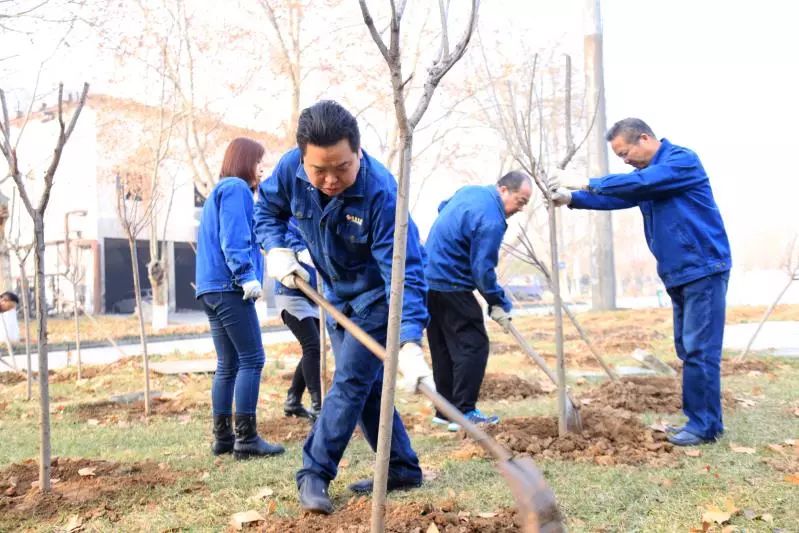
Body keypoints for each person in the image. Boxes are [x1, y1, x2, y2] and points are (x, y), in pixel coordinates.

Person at [254, 100, 433, 514]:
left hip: (377, 299)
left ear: (358, 152)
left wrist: (407, 340)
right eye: (320, 170)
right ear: (302, 158)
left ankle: (314, 472)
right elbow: (267, 211)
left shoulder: (382, 194)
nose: (331, 179)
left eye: (342, 167)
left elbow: (402, 274)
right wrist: (276, 247)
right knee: (366, 388)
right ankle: (402, 467)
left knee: (351, 381)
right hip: (334, 295)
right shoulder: (288, 171)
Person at [549, 118, 731, 446]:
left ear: (644, 138)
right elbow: (620, 197)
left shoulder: (680, 162)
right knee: (688, 348)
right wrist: (572, 198)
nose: (625, 160)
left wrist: (585, 181)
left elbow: (640, 183)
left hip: (703, 267)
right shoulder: (647, 180)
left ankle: (703, 426)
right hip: (680, 271)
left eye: (624, 152)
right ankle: (706, 421)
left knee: (699, 349)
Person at [195, 137, 285, 460]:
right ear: (246, 160)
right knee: (253, 358)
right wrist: (246, 275)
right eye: (260, 161)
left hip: (210, 288)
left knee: (228, 363)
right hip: (229, 286)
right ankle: (246, 440)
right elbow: (233, 237)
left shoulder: (217, 192)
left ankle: (223, 438)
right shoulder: (235, 189)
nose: (262, 168)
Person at [424, 171, 532, 431]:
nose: (520, 208)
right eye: (520, 200)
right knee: (474, 346)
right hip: (452, 283)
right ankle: (464, 412)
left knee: (444, 348)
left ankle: (445, 411)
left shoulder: (470, 191)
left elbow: (442, 206)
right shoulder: (491, 220)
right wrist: (497, 301)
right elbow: (482, 269)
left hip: (427, 280)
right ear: (503, 190)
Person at [276, 217, 322, 420]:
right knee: (312, 346)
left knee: (313, 349)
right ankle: (318, 405)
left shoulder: (317, 218)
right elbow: (282, 237)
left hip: (314, 295)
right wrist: (300, 249)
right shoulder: (289, 219)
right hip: (291, 292)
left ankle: (293, 400)